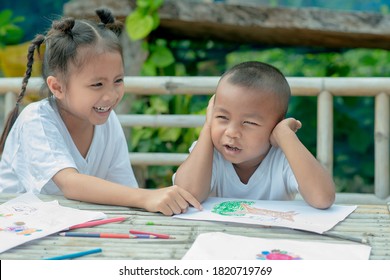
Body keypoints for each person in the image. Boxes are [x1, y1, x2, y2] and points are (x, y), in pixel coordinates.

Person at [0, 8, 201, 216]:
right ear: (57, 87)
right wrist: (146, 196)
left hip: (70, 229)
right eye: (97, 84)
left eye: (118, 81)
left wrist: (148, 198)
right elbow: (71, 183)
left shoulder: (107, 120)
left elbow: (124, 188)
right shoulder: (37, 121)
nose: (111, 95)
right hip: (19, 231)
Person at [174, 61, 335, 209]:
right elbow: (187, 195)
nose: (231, 132)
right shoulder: (208, 152)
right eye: (222, 117)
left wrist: (285, 134)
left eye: (249, 123)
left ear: (276, 124)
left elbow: (323, 198)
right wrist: (208, 127)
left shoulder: (284, 157)